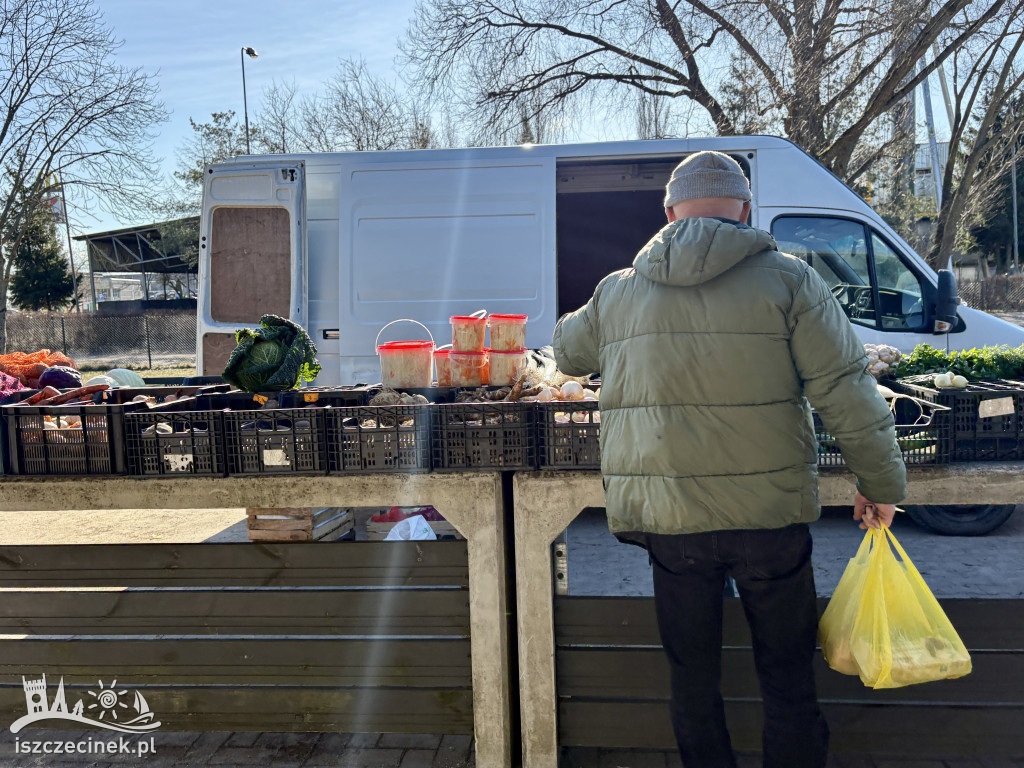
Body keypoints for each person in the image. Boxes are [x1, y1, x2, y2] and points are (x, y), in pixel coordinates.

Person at [553, 151, 906, 768]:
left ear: (669, 214)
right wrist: (880, 482)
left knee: (692, 680)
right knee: (788, 677)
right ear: (745, 211)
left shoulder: (619, 290)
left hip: (672, 520)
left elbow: (567, 354)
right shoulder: (792, 281)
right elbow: (845, 389)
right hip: (770, 519)